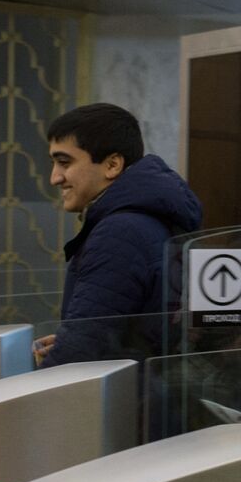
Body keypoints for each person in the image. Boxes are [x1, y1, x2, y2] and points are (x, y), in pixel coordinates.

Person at [33, 103, 202, 368]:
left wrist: (39, 390)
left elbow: (81, 349)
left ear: (112, 165)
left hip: (128, 401)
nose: (55, 177)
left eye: (64, 162)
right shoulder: (150, 218)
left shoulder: (120, 232)